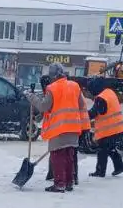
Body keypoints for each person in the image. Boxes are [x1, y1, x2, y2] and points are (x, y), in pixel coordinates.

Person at [29, 63, 87, 192]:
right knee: (69, 155)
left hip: (59, 128)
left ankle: (59, 183)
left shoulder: (52, 88)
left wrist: (32, 98)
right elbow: (82, 104)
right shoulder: (75, 86)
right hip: (74, 127)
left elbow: (44, 107)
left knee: (57, 156)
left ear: (53, 75)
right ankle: (69, 182)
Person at [87, 82, 123, 177]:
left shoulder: (101, 98)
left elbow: (94, 113)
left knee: (102, 150)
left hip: (109, 130)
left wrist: (83, 115)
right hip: (118, 128)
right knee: (110, 149)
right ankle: (119, 167)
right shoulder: (109, 92)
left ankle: (100, 172)